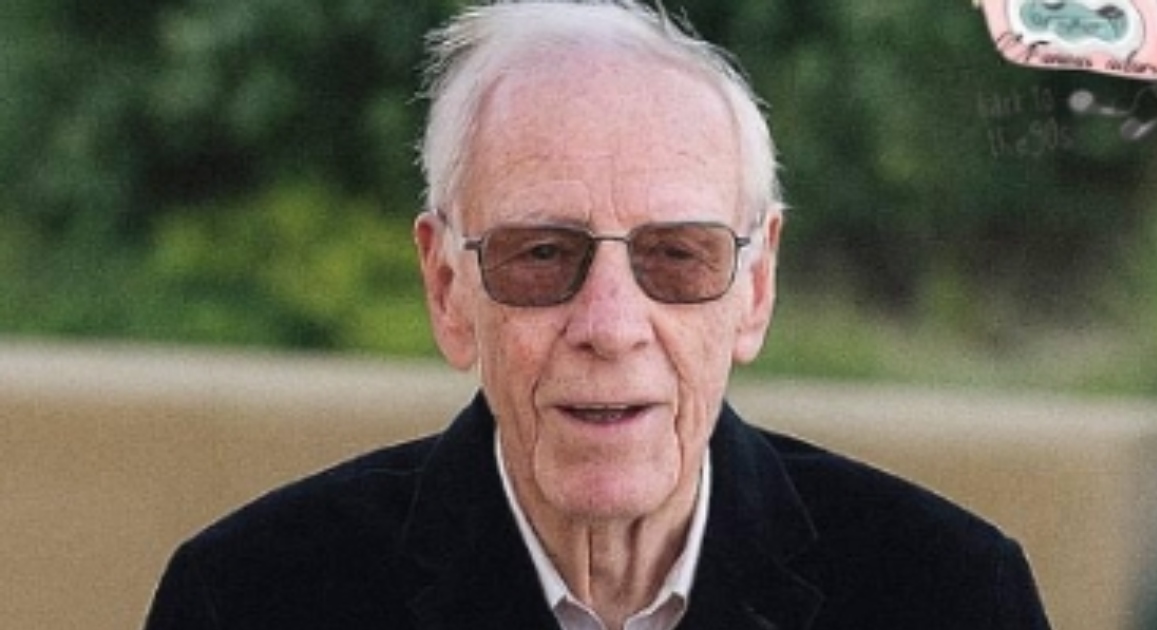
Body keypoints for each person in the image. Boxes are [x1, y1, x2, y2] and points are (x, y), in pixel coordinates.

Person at [144, 1, 1053, 628]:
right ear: (448, 288)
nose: (611, 325)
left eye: (677, 255)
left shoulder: (951, 597)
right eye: (543, 255)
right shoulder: (250, 600)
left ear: (756, 286)